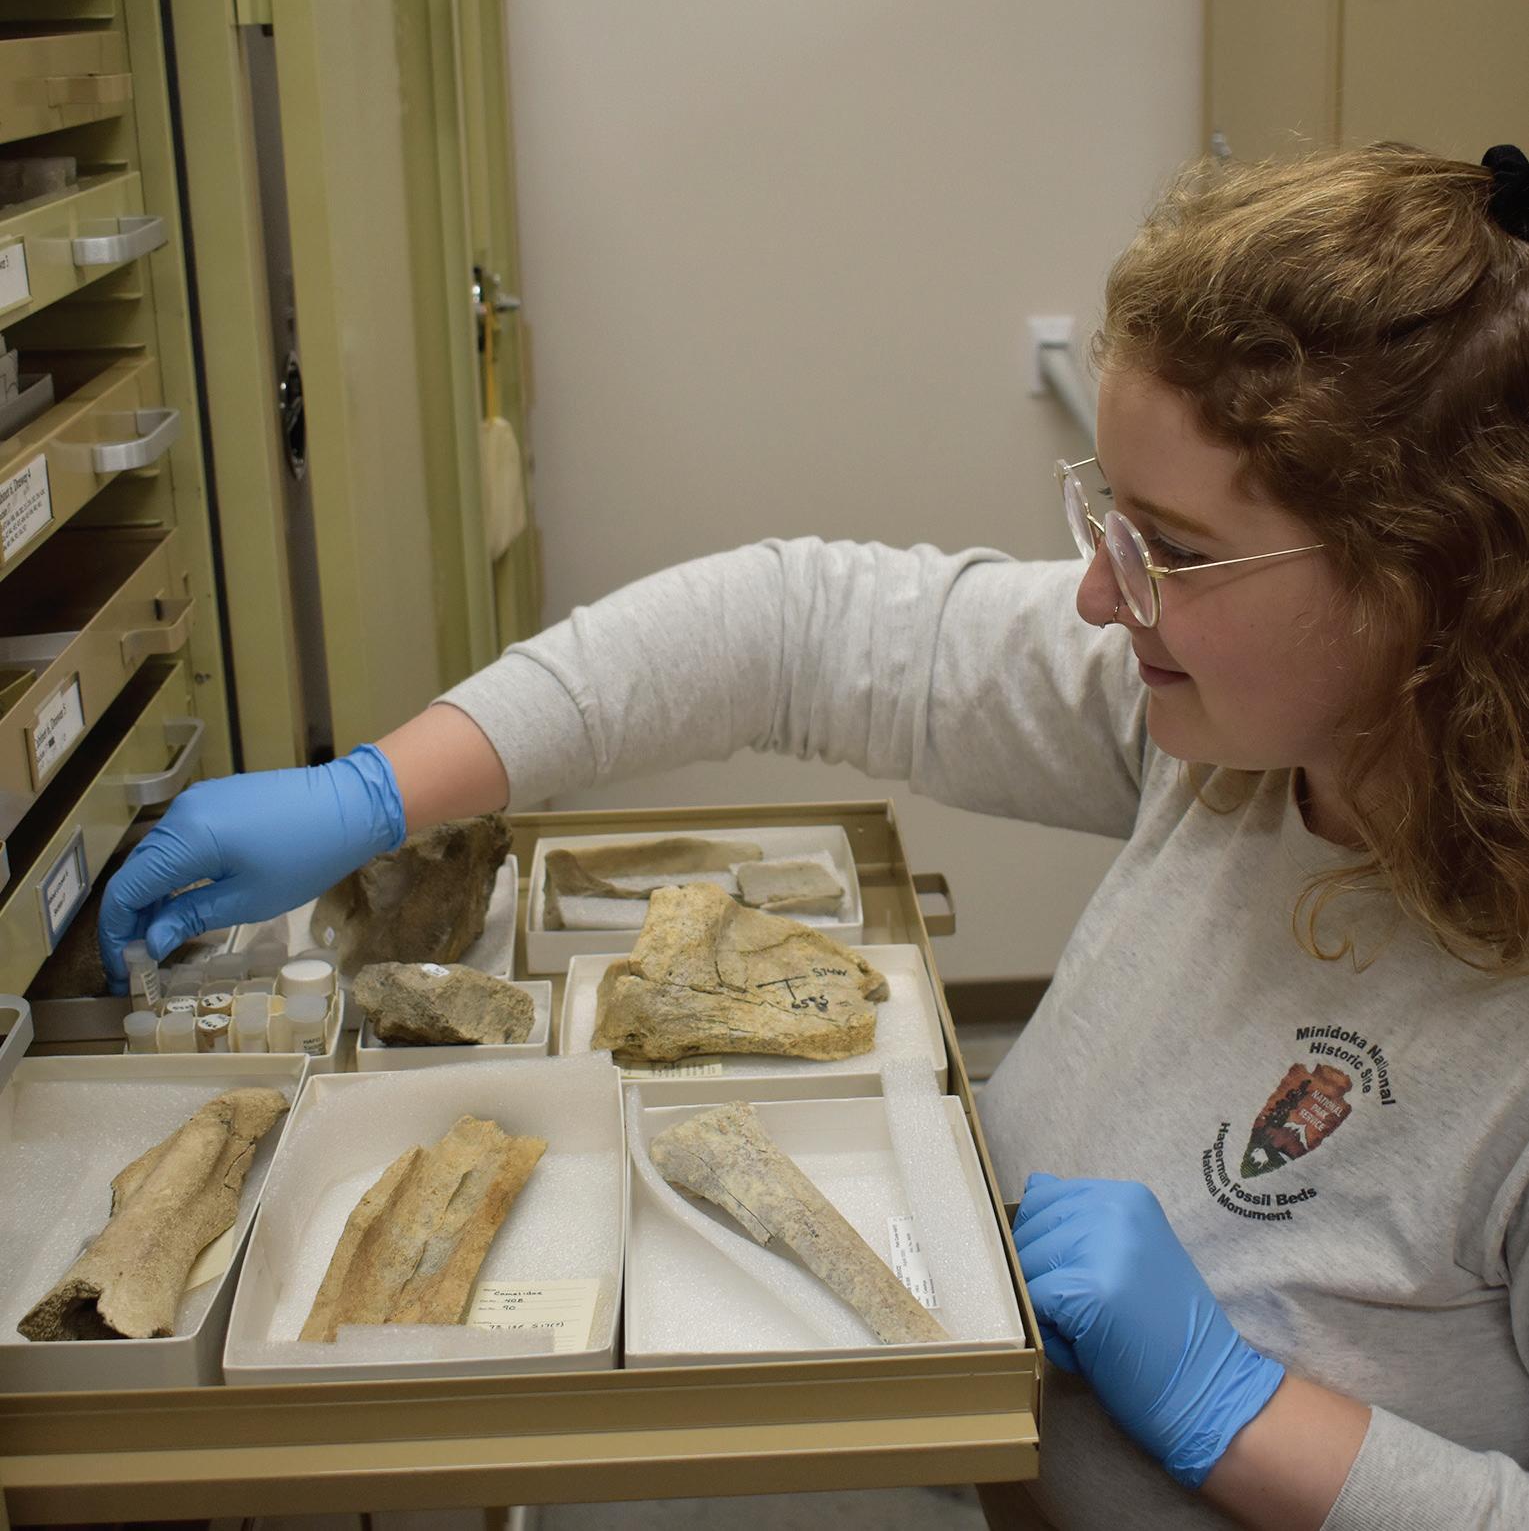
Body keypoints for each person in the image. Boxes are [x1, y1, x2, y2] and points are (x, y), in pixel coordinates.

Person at [100, 141, 1529, 1529]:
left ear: (1437, 574)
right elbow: (789, 627)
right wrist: (378, 789)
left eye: (1177, 551)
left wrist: (1238, 1412)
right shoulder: (1241, 739)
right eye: (1109, 519)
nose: (1102, 599)